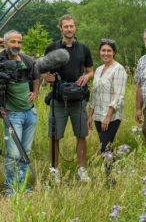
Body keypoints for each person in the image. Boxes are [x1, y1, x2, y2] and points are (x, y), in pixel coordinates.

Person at [0, 30, 40, 195]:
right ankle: (11, 187)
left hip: (30, 114)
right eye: (13, 42)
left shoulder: (27, 60)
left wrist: (35, 92)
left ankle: (22, 185)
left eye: (19, 42)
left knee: (25, 152)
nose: (16, 45)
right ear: (6, 43)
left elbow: (36, 77)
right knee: (13, 153)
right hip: (12, 115)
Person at [43, 14, 94, 182]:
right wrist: (45, 76)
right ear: (61, 28)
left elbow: (91, 70)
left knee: (81, 134)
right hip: (58, 98)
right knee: (54, 135)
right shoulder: (52, 47)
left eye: (72, 26)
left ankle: (82, 170)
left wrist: (87, 77)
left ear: (75, 27)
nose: (69, 29)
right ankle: (54, 170)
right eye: (66, 26)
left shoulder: (83, 49)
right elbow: (41, 68)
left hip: (79, 99)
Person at [87, 39, 127, 155]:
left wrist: (108, 117)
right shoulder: (99, 69)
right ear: (99, 52)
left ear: (114, 52)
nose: (106, 53)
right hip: (98, 115)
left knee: (105, 146)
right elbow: (94, 94)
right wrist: (90, 115)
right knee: (105, 147)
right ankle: (111, 171)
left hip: (111, 117)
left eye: (109, 51)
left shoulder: (118, 69)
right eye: (103, 50)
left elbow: (118, 96)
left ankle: (110, 172)